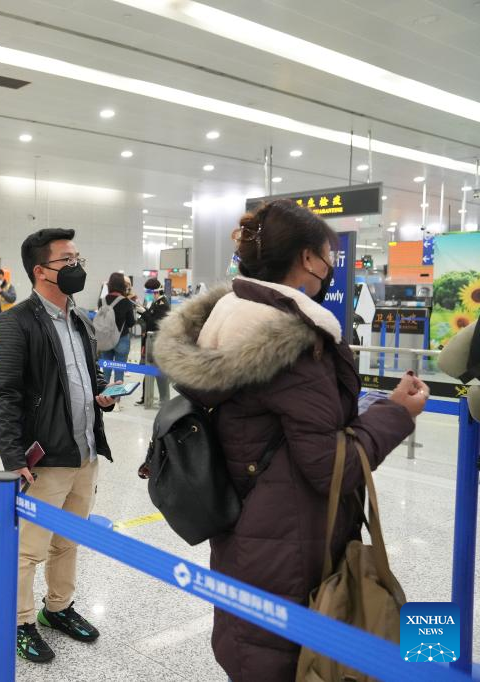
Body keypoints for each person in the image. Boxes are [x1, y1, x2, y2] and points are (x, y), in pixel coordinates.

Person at [153, 199, 428, 681]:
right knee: (285, 659)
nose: (330, 265)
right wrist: (396, 414)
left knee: (252, 650)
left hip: (247, 535)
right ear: (306, 258)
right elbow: (331, 466)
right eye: (328, 255)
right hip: (294, 546)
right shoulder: (292, 344)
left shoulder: (225, 321)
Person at [0, 228, 117, 664]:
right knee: (29, 549)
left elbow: (89, 373)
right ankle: (20, 621)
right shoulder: (16, 322)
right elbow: (6, 394)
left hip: (85, 450)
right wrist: (13, 456)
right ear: (40, 271)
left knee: (68, 540)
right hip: (45, 456)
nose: (76, 267)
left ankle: (58, 608)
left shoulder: (80, 318)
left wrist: (102, 393)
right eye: (67, 260)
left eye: (78, 259)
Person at [99, 272, 136, 385]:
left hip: (106, 340)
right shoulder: (126, 301)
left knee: (105, 372)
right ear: (122, 285)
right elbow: (131, 323)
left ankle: (104, 393)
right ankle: (117, 395)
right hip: (122, 338)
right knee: (119, 374)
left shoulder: (102, 300)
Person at [138, 277, 171, 405]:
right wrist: (143, 312)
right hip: (150, 341)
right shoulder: (156, 302)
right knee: (148, 369)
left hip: (157, 342)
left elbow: (155, 323)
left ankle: (164, 399)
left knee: (159, 372)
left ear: (155, 292)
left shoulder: (163, 304)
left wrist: (144, 313)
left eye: (148, 292)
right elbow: (150, 318)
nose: (147, 294)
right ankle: (145, 397)